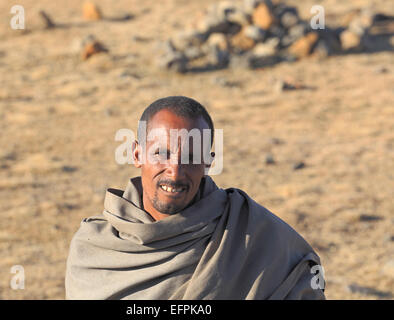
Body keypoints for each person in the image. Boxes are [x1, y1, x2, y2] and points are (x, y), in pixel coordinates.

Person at [65, 96, 326, 300]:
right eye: (161, 153)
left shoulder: (250, 233)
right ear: (136, 155)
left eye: (191, 157)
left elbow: (302, 279)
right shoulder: (95, 248)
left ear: (209, 162)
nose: (175, 172)